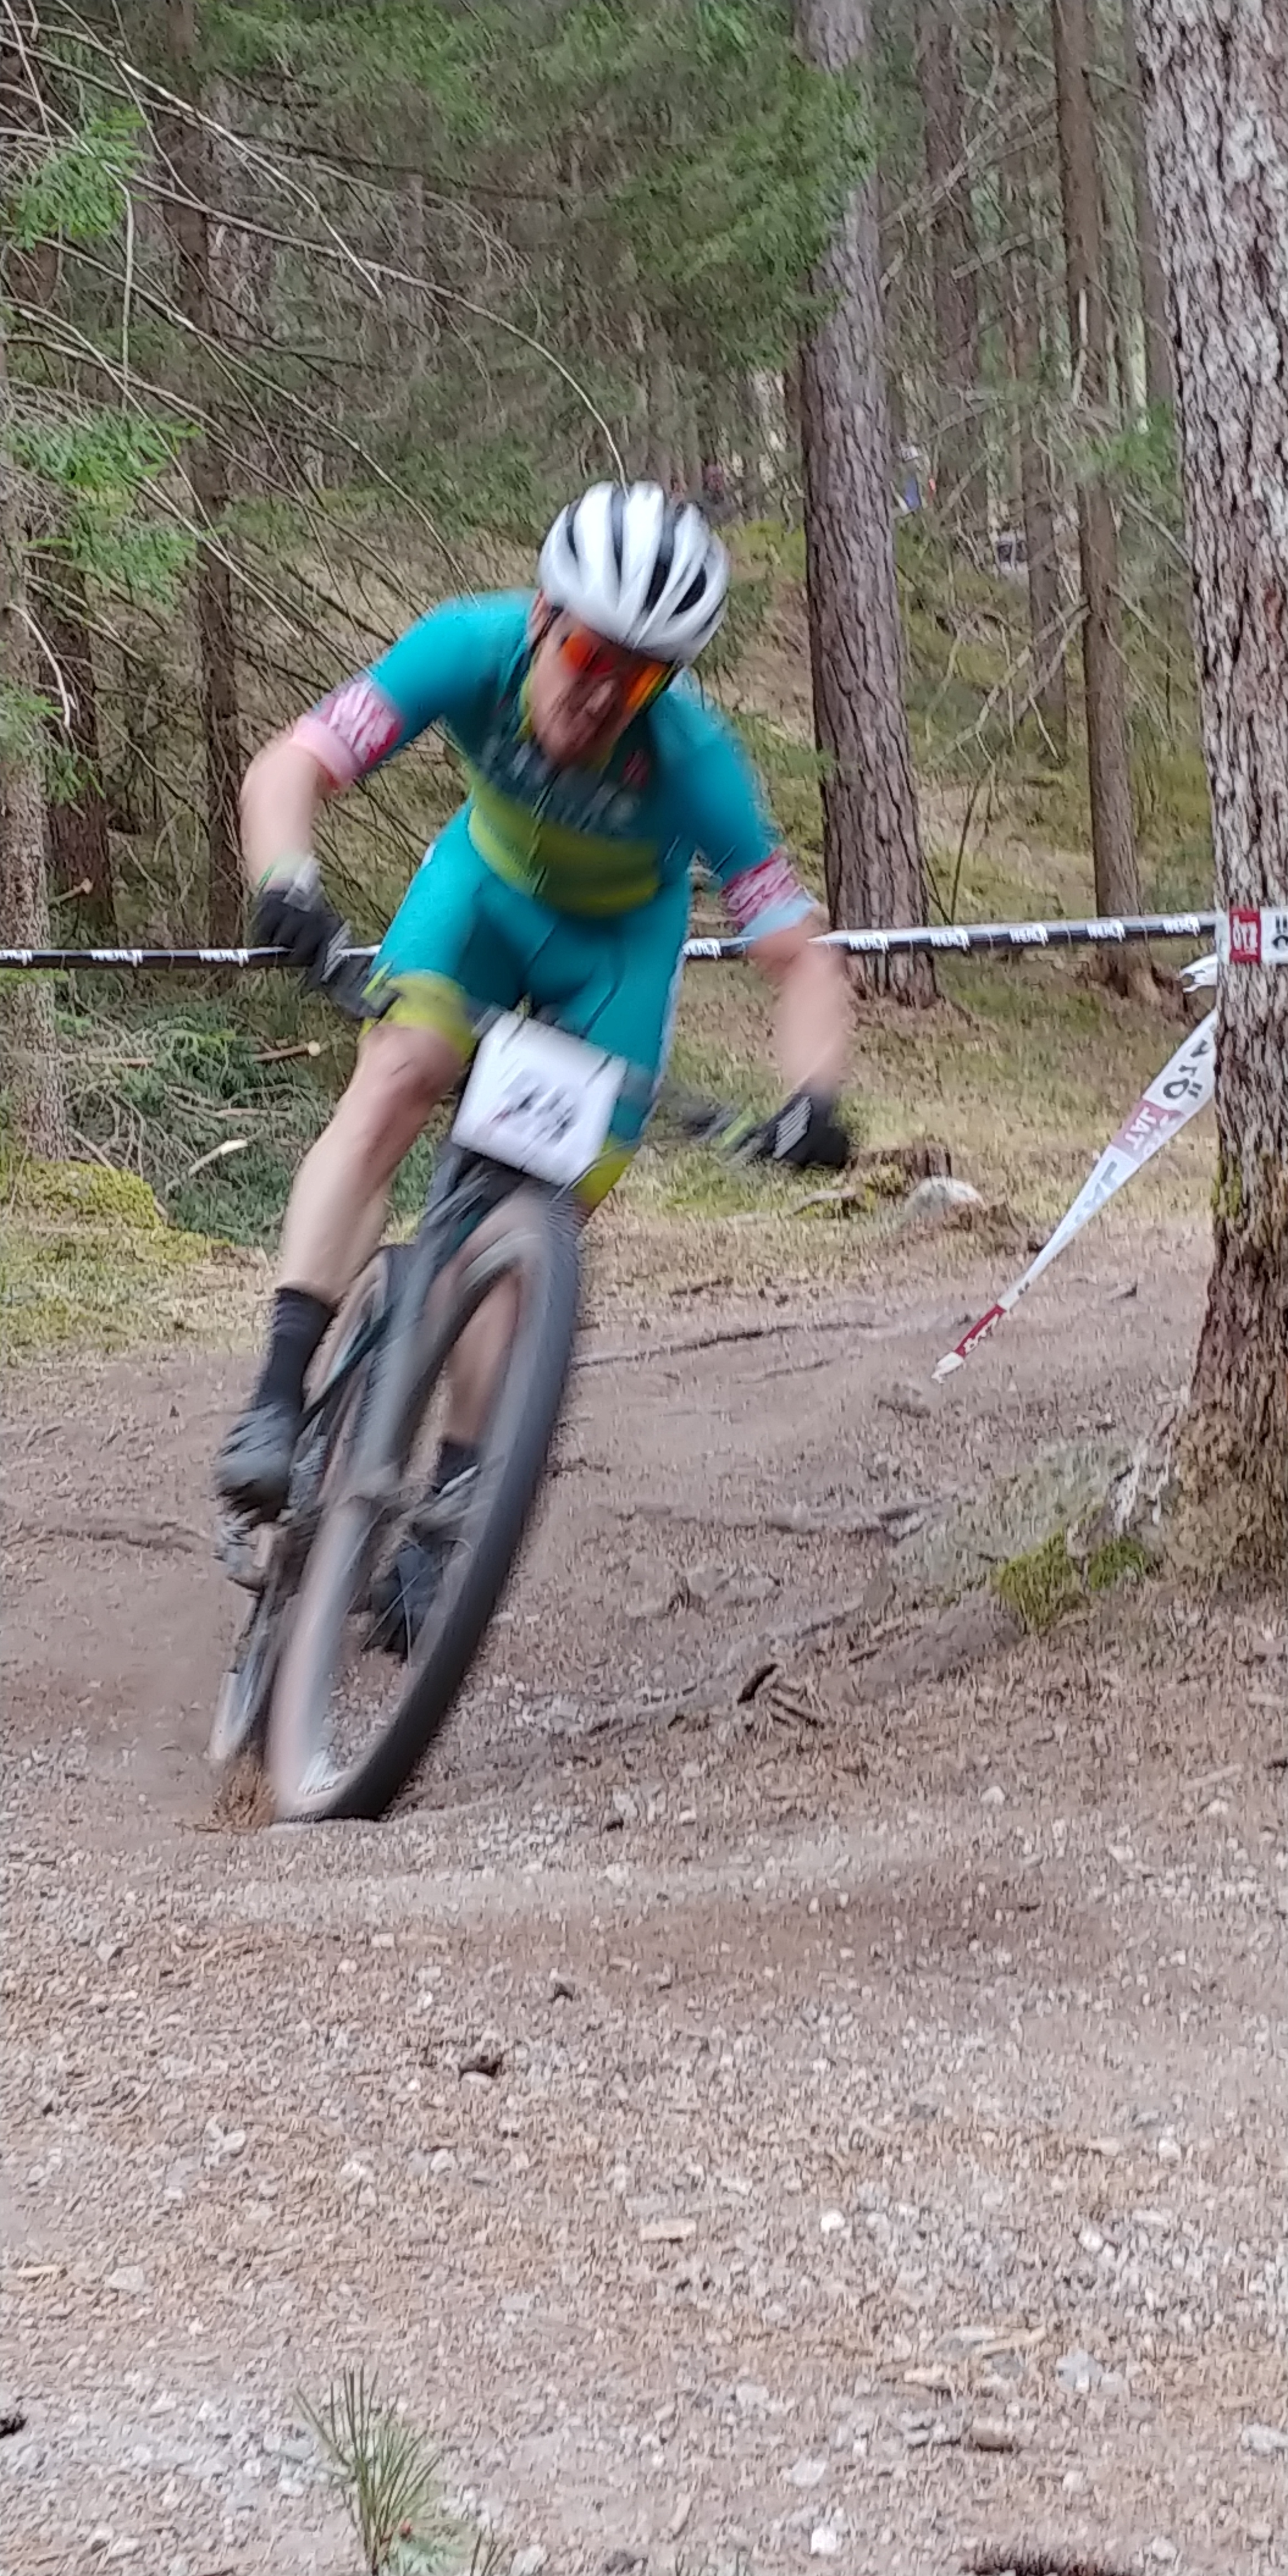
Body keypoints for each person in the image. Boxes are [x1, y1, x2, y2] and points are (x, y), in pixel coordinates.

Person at [216, 482, 851, 1633]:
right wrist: (287, 883)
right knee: (399, 1076)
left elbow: (797, 956)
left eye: (640, 677)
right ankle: (276, 1393)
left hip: (612, 966)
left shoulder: (693, 761)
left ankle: (454, 1496)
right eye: (589, 653)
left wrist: (815, 1094)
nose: (604, 692)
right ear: (544, 617)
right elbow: (290, 768)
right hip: (481, 902)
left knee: (529, 1218)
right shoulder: (468, 647)